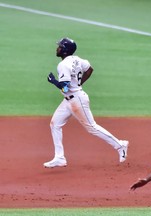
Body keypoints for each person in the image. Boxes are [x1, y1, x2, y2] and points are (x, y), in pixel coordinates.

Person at [44, 37, 129, 168]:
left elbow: (64, 87)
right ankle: (59, 158)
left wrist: (53, 80)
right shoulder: (78, 59)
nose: (57, 48)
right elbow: (89, 69)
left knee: (92, 127)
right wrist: (79, 83)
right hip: (69, 101)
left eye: (60, 46)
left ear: (65, 51)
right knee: (55, 124)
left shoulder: (63, 65)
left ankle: (120, 145)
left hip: (77, 101)